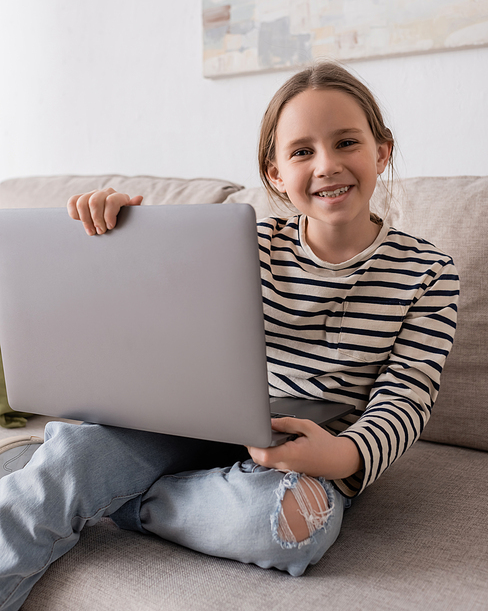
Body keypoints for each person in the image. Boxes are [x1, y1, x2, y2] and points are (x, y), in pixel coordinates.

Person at [0, 62, 459, 609]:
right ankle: (81, 480)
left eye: (346, 142)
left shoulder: (430, 271)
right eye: (302, 151)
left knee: (293, 527)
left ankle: (125, 502)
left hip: (311, 447)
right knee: (79, 456)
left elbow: (408, 393)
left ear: (381, 152)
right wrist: (119, 233)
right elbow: (154, 320)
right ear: (275, 174)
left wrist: (342, 457)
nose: (328, 165)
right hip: (196, 425)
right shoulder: (246, 243)